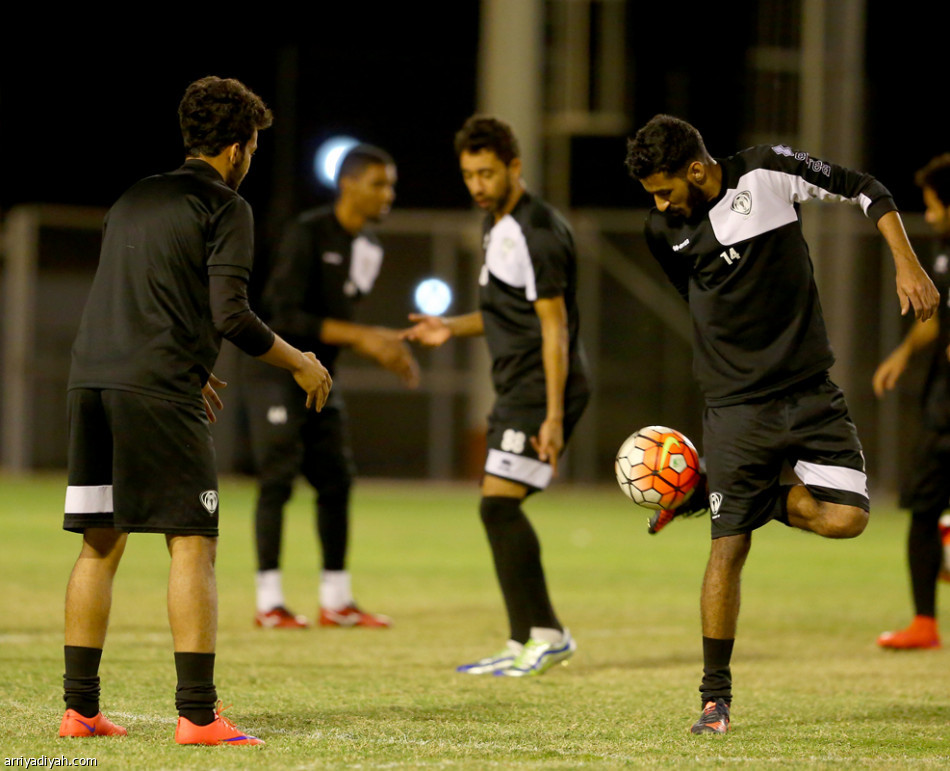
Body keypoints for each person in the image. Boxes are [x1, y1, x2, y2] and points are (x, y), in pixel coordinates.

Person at [624, 114, 939, 734]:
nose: (661, 205)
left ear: (697, 168)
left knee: (849, 519)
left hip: (809, 392)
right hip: (736, 407)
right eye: (652, 197)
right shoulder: (662, 230)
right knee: (728, 546)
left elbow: (867, 187)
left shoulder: (766, 172)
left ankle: (723, 494)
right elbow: (697, 299)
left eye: (665, 189)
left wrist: (908, 264)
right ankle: (715, 699)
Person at [60, 76, 332, 745]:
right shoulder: (224, 205)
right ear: (238, 147)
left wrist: (188, 362)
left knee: (100, 540)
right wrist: (300, 359)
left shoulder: (132, 197)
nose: (251, 159)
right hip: (154, 389)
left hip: (92, 379)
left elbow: (140, 294)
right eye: (254, 146)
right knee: (194, 541)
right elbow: (230, 315)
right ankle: (199, 715)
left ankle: (80, 709)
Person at [402, 115, 590, 677]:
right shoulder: (496, 224)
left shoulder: (538, 231)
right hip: (518, 386)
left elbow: (554, 327)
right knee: (496, 508)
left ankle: (547, 634)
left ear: (515, 167)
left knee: (497, 504)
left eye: (487, 173)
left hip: (540, 388)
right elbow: (503, 312)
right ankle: (523, 639)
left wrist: (553, 416)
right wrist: (448, 328)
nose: (477, 185)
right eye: (468, 175)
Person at [245, 144, 418, 630]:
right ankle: (269, 601)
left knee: (337, 480)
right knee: (277, 481)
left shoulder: (370, 249)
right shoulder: (307, 231)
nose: (388, 194)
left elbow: (337, 322)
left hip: (322, 377)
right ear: (348, 183)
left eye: (391, 184)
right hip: (279, 372)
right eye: (378, 183)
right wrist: (366, 337)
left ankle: (336, 600)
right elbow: (282, 315)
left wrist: (375, 341)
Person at [874, 153, 950, 650]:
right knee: (922, 505)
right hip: (942, 402)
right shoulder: (945, 249)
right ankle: (924, 623)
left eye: (932, 204)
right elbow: (939, 315)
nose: (928, 215)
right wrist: (904, 350)